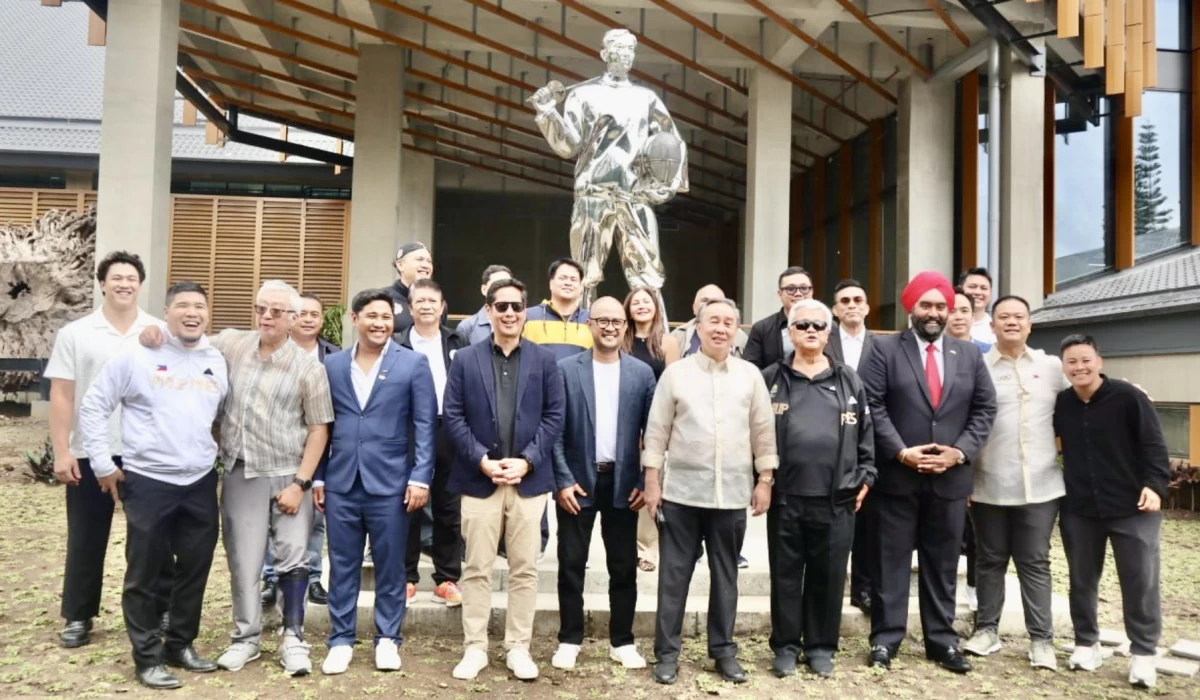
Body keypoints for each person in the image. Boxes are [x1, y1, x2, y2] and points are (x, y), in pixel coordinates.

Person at [140, 281, 335, 676]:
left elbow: (319, 429)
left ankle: (293, 637)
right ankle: (246, 637)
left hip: (288, 473)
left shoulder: (308, 367)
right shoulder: (231, 345)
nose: (266, 317)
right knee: (244, 560)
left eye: (277, 312)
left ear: (293, 319)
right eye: (261, 308)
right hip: (241, 471)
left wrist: (301, 483)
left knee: (293, 557)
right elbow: (189, 339)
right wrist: (156, 331)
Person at [77, 281, 229, 690]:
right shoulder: (137, 353)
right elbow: (93, 406)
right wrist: (103, 464)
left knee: (195, 568)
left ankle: (179, 644)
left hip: (199, 481)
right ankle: (146, 657)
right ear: (166, 311)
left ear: (208, 313)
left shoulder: (216, 357)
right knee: (143, 572)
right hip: (149, 480)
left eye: (199, 305)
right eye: (183, 306)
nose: (192, 312)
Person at [859, 271, 996, 674]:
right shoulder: (884, 350)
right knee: (891, 563)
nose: (934, 313)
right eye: (926, 305)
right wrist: (901, 452)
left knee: (941, 565)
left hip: (949, 480)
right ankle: (886, 640)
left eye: (941, 306)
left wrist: (959, 453)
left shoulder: (968, 354)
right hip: (899, 478)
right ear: (912, 308)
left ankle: (941, 641)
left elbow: (985, 409)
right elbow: (873, 405)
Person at [642, 298, 778, 686]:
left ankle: (723, 651)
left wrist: (765, 479)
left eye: (728, 322)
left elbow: (763, 431)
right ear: (697, 328)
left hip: (732, 494)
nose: (721, 328)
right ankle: (667, 654)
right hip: (681, 494)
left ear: (737, 330)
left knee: (726, 577)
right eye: (713, 321)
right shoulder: (676, 374)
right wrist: (652, 481)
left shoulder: (750, 375)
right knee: (674, 577)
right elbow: (657, 431)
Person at [45, 251, 170, 649]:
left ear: (140, 284)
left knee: (152, 538)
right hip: (89, 450)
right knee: (86, 536)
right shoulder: (76, 333)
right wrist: (62, 451)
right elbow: (62, 395)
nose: (124, 284)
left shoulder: (158, 331)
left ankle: (157, 609)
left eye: (131, 278)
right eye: (116, 277)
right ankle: (78, 616)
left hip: (145, 453)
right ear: (102, 283)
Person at [443, 278, 565, 682]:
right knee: (476, 567)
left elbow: (554, 418)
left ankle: (518, 648)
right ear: (489, 311)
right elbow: (454, 416)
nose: (509, 313)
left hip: (528, 482)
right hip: (481, 480)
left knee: (524, 569)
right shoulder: (464, 359)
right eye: (502, 306)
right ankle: (475, 647)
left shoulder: (546, 361)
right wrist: (481, 460)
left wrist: (527, 462)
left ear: (525, 311)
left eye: (516, 306)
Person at [316, 288, 437, 675]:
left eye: (386, 317)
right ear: (355, 319)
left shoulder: (413, 364)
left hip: (392, 483)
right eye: (371, 316)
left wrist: (420, 476)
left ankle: (388, 639)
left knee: (390, 566)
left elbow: (424, 425)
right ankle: (340, 639)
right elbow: (322, 425)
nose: (380, 323)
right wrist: (318, 478)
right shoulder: (332, 365)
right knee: (342, 563)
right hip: (342, 482)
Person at [531, 27, 687, 313]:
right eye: (618, 49)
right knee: (584, 273)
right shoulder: (583, 95)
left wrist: (666, 184)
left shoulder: (647, 98)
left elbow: (672, 142)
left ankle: (654, 336)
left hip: (635, 196)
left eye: (630, 50)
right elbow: (569, 146)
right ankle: (578, 331)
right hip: (593, 194)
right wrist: (548, 113)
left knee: (647, 274)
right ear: (604, 54)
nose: (625, 55)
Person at [761, 299, 875, 678]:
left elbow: (866, 436)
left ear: (829, 333)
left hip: (836, 499)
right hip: (786, 498)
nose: (810, 331)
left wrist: (866, 475)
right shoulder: (770, 379)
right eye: (802, 325)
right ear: (789, 332)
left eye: (818, 325)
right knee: (786, 575)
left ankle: (822, 646)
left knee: (828, 576)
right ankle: (786, 646)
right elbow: (754, 436)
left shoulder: (849, 380)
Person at [1054, 334, 1169, 689]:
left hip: (1132, 507)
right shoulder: (1062, 403)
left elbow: (1154, 444)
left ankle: (1144, 653)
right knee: (1081, 580)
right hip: (1081, 508)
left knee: (1140, 581)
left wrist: (1155, 485)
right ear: (1064, 367)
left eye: (1085, 359)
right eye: (1072, 362)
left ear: (1099, 361)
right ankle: (1087, 644)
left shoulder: (1128, 397)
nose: (1080, 367)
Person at [550, 297, 657, 672]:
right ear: (589, 325)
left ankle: (622, 641)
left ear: (626, 326)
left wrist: (648, 480)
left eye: (617, 321)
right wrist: (562, 480)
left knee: (624, 566)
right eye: (602, 321)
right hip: (577, 482)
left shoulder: (642, 374)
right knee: (570, 563)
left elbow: (654, 435)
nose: (610, 327)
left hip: (624, 483)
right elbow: (554, 432)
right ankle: (569, 638)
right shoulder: (565, 370)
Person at [961, 296, 1064, 671]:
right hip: (988, 481)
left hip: (1041, 484)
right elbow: (966, 422)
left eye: (1019, 316)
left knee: (1034, 562)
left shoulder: (1052, 367)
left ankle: (1042, 641)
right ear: (992, 326)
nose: (1011, 322)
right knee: (989, 560)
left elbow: (1088, 395)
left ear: (1030, 324)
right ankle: (986, 631)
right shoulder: (978, 368)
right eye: (1003, 317)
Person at [262, 292, 340, 609]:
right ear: (291, 318)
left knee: (316, 519)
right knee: (275, 514)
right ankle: (270, 578)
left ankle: (313, 578)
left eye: (315, 314)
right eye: (302, 313)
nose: (308, 319)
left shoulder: (334, 358)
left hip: (322, 449)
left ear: (322, 321)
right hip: (280, 449)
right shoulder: (273, 354)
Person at [395, 279, 466, 607]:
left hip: (448, 428)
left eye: (431, 300)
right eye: (419, 300)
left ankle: (447, 578)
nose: (425, 305)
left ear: (442, 307)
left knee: (449, 506)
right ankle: (407, 577)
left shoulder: (456, 340)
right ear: (410, 308)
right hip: (408, 429)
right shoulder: (397, 344)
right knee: (408, 503)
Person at [825, 279, 878, 615]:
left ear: (867, 307)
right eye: (844, 300)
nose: (852, 305)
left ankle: (863, 589)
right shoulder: (822, 341)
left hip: (869, 439)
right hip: (830, 441)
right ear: (835, 309)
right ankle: (827, 592)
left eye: (858, 299)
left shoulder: (884, 346)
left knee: (868, 523)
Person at [621, 286, 680, 572]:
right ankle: (624, 544)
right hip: (624, 417)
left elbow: (674, 384)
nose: (642, 306)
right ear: (628, 309)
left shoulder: (667, 342)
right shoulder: (621, 338)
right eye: (636, 302)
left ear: (656, 307)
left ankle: (647, 549)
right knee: (626, 481)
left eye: (647, 301)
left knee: (651, 480)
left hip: (656, 419)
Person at [946, 286, 989, 611]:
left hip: (977, 455)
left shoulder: (988, 353)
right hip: (935, 456)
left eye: (964, 310)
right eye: (952, 309)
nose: (957, 316)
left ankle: (974, 591)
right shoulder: (922, 352)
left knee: (977, 531)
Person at [744, 266, 815, 370]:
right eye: (791, 289)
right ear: (780, 294)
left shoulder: (828, 326)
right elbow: (750, 369)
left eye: (804, 288)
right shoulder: (761, 329)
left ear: (812, 291)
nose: (798, 293)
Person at [522, 258, 593, 360]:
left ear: (581, 286)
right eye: (563, 278)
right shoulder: (528, 316)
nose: (568, 283)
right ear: (551, 283)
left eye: (573, 279)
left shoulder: (590, 320)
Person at [670, 284, 749, 359]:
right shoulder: (677, 335)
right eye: (704, 300)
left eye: (715, 301)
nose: (709, 305)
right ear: (694, 307)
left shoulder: (741, 337)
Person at [386, 242, 447, 335]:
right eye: (419, 259)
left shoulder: (437, 302)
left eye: (429, 261)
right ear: (400, 265)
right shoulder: (383, 299)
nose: (425, 265)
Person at [456, 264, 513, 345]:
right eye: (497, 285)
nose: (502, 290)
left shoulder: (521, 323)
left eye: (507, 285)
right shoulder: (467, 327)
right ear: (484, 289)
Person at [958, 267, 995, 346]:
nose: (978, 292)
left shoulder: (995, 329)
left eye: (983, 288)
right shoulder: (947, 324)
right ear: (960, 289)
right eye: (972, 287)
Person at [948, 287, 992, 353]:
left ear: (973, 317)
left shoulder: (989, 352)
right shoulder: (932, 352)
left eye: (964, 311)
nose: (959, 317)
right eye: (952, 311)